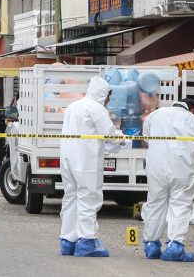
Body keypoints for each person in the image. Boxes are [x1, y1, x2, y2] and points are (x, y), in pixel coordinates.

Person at [142, 99, 194, 262]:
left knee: (155, 203)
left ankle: (151, 245)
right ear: (192, 109)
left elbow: (146, 136)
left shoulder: (154, 115)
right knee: (180, 205)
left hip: (157, 168)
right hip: (183, 168)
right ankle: (175, 247)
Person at [58, 76, 121, 258]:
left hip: (68, 159)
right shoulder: (97, 108)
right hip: (86, 160)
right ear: (104, 93)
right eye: (109, 95)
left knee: (71, 197)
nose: (109, 100)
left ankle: (67, 241)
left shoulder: (73, 106)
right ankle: (87, 242)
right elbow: (108, 133)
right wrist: (122, 138)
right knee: (88, 198)